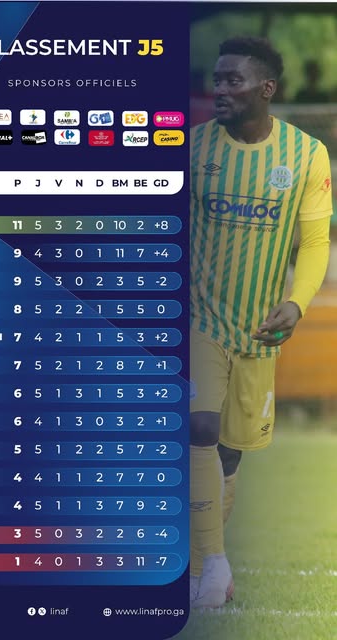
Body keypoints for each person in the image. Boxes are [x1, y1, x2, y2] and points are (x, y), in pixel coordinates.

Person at [189, 36, 333, 609]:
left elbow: (315, 241)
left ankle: (205, 567)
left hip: (258, 331)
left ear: (266, 88)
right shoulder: (192, 147)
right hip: (197, 319)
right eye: (217, 80)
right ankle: (211, 566)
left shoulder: (306, 155)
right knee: (199, 428)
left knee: (228, 452)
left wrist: (297, 303)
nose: (220, 90)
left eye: (234, 81)